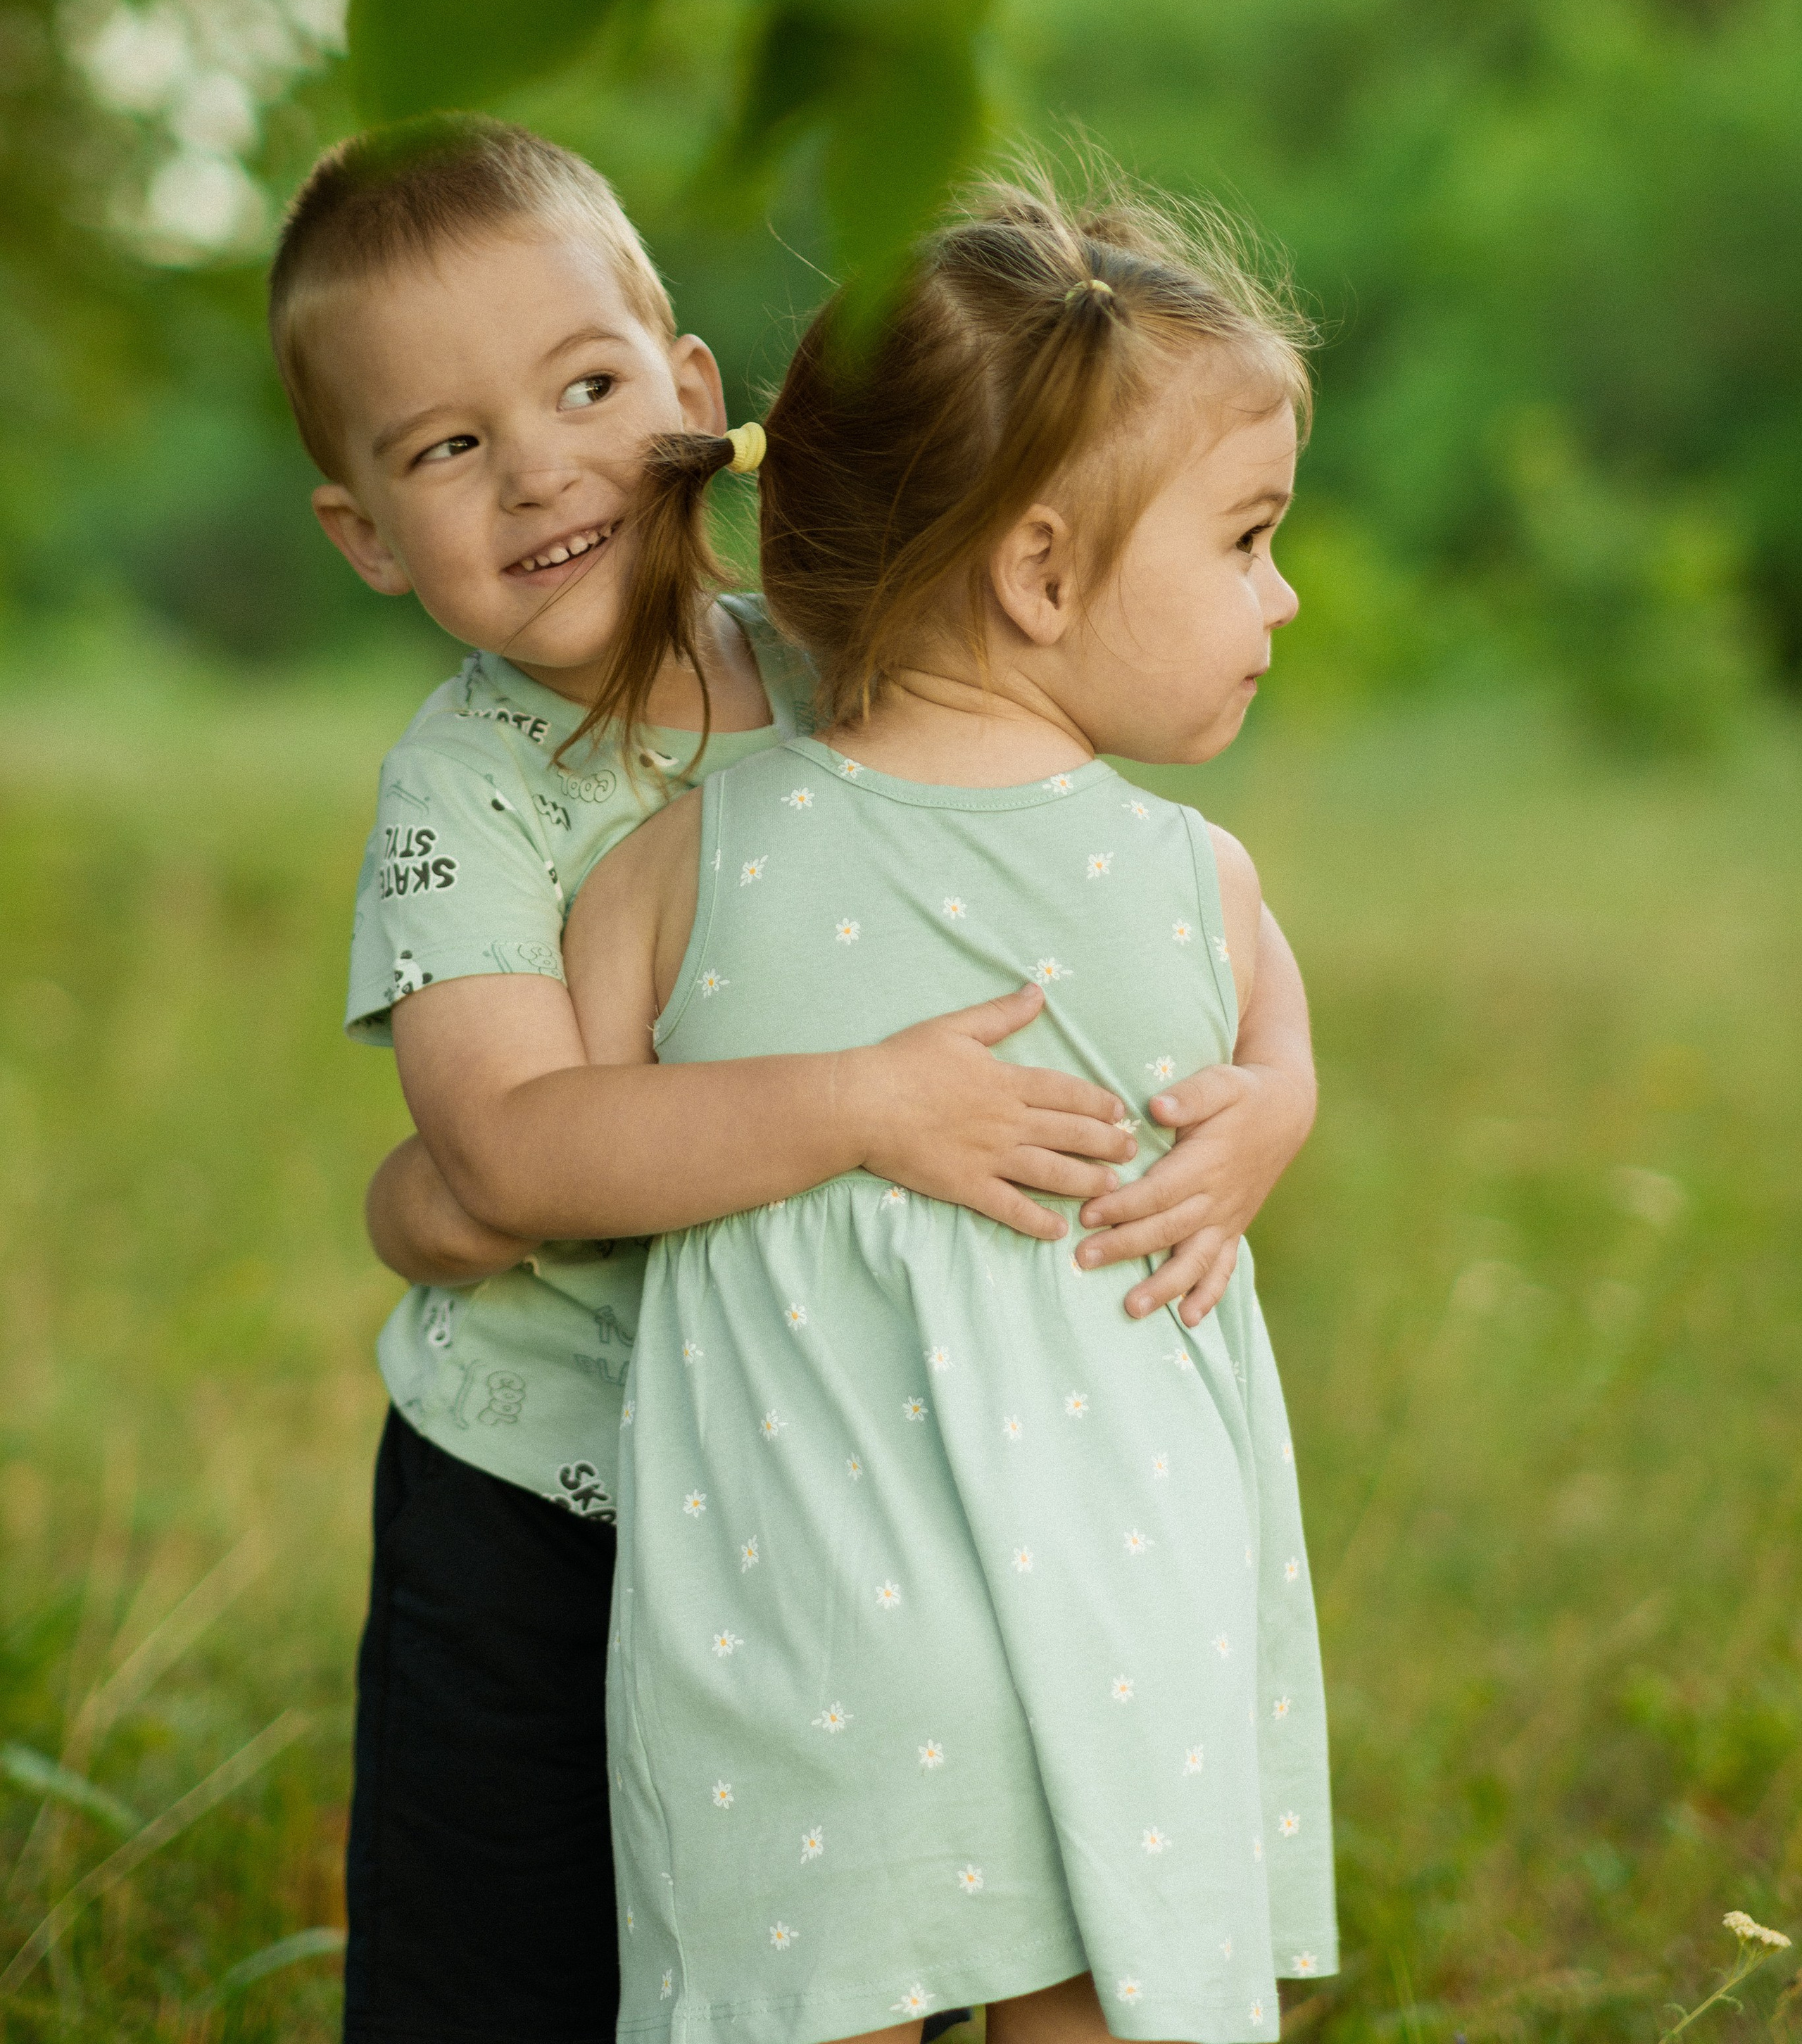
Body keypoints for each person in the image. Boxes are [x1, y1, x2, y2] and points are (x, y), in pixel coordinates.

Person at [267, 120, 1318, 2044]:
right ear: (365, 529)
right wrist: (857, 1104)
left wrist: (1268, 1095)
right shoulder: (476, 788)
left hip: (832, 1484)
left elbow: (1148, 906)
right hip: (547, 1486)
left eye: (584, 389)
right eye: (444, 448)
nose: (538, 472)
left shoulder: (843, 669)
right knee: (504, 1956)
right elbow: (506, 1151)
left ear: (687, 397)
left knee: (804, 1927)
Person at [560, 178, 1338, 2044]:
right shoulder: (1193, 878)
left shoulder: (690, 859)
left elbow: (562, 1158)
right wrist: (1274, 1121)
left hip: (803, 1624)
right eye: (1244, 540)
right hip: (1124, 1596)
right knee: (1100, 1991)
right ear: (1045, 574)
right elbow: (1278, 1056)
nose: (1282, 594)